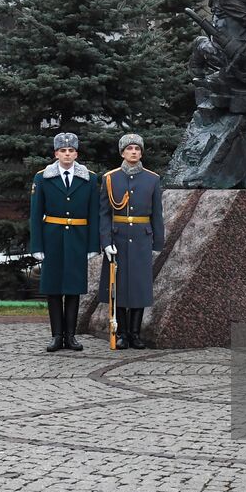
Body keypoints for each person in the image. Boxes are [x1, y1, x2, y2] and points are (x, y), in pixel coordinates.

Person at [30, 132, 100, 352]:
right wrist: (37, 246)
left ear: (76, 153)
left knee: (73, 288)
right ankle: (56, 335)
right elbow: (36, 214)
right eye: (63, 151)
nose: (67, 154)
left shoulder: (89, 178)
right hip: (52, 237)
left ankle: (70, 336)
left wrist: (92, 245)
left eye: (71, 151)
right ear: (56, 154)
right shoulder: (43, 178)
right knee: (52, 288)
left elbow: (94, 214)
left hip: (78, 238)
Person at [98, 133, 165, 350]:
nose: (133, 152)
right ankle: (122, 334)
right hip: (117, 238)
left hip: (141, 239)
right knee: (117, 287)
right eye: (129, 149)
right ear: (122, 152)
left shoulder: (152, 179)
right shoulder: (110, 178)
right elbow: (104, 214)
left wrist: (157, 243)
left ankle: (136, 334)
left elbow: (157, 214)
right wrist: (106, 241)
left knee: (139, 287)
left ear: (141, 152)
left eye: (137, 149)